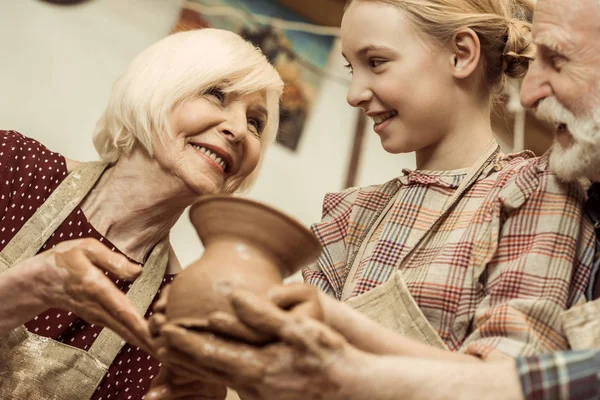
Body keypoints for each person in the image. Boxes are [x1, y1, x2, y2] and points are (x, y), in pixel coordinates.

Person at [148, 0, 600, 399]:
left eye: (377, 62)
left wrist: (333, 331)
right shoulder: (351, 213)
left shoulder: (538, 191)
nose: (354, 93)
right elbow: (288, 377)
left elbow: (507, 382)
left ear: (461, 54)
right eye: (351, 68)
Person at [0, 28, 283, 400]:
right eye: (216, 95)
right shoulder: (12, 166)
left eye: (255, 123)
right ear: (156, 90)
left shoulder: (173, 312)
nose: (238, 130)